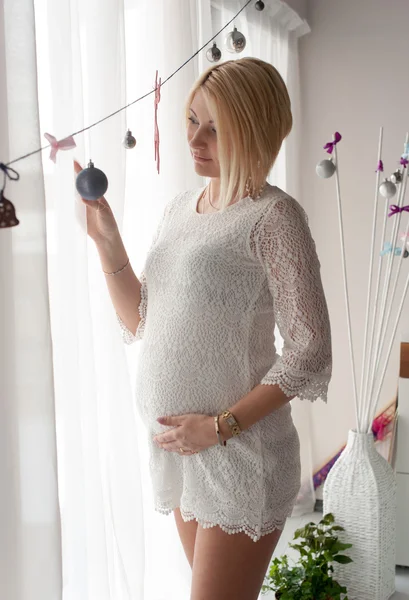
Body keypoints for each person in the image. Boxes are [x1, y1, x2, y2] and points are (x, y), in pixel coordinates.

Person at [74, 57, 332, 600]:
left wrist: (219, 428)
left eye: (215, 127)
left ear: (254, 129)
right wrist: (107, 244)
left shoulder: (274, 218)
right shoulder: (178, 211)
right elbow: (141, 319)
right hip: (182, 450)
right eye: (192, 120)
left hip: (238, 454)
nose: (195, 138)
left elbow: (309, 350)